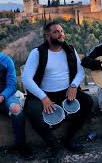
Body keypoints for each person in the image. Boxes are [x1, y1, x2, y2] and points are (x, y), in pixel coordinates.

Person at [22, 21, 93, 160]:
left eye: (62, 31)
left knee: (88, 102)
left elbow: (80, 72)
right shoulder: (37, 53)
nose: (61, 34)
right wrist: (43, 98)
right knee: (33, 112)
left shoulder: (70, 50)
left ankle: (69, 139)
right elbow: (26, 79)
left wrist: (73, 86)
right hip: (44, 94)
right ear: (47, 36)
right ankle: (54, 145)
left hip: (67, 91)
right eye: (56, 32)